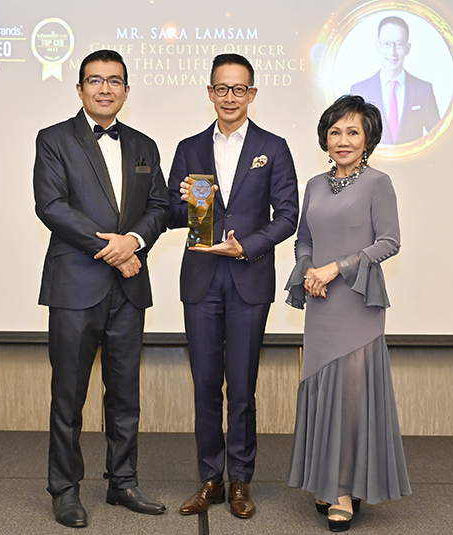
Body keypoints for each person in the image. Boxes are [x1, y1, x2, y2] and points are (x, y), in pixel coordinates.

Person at [33, 49, 169, 528]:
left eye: (114, 81)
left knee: (125, 393)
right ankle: (65, 489)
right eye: (95, 80)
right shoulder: (54, 139)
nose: (105, 88)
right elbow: (52, 206)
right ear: (79, 88)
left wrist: (134, 241)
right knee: (68, 395)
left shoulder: (144, 145)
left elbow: (160, 206)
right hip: (75, 286)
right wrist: (114, 248)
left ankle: (123, 482)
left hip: (128, 289)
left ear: (127, 91)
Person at [168, 54, 299, 519]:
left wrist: (247, 246)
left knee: (242, 387)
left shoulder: (273, 147)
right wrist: (185, 202)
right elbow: (170, 212)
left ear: (252, 93)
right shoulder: (189, 147)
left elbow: (288, 215)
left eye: (238, 89)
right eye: (221, 88)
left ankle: (241, 481)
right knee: (205, 384)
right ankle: (210, 480)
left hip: (248, 277)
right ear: (210, 92)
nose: (229, 97)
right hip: (202, 278)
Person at [286, 94, 411, 532]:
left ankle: (344, 489)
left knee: (351, 398)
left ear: (367, 139)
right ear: (325, 138)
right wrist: (308, 270)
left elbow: (389, 242)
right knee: (322, 393)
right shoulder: (314, 185)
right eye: (335, 131)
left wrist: (336, 268)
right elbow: (303, 239)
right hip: (321, 302)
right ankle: (326, 480)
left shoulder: (378, 183)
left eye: (352, 132)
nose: (343, 140)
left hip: (357, 303)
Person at [350, 16, 440, 145]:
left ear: (407, 48)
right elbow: (352, 137)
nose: (392, 52)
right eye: (386, 44)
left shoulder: (424, 90)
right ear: (378, 47)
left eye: (398, 44)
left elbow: (438, 138)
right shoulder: (359, 91)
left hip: (414, 158)